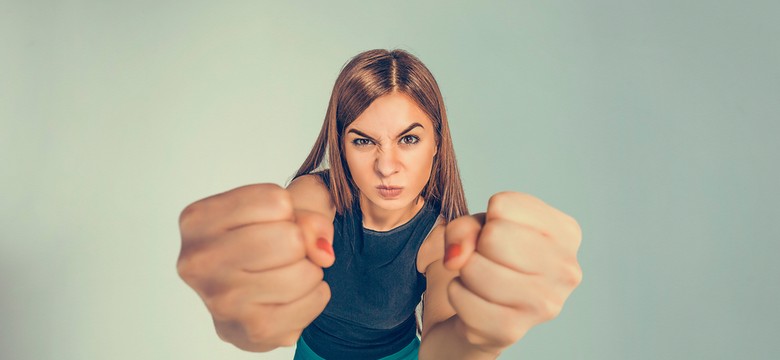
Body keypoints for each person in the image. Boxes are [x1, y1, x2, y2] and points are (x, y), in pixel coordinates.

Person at [177, 49, 582, 360]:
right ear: (340, 146)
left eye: (409, 139)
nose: (387, 166)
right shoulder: (317, 194)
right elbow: (299, 216)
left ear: (437, 143)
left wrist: (480, 338)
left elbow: (442, 344)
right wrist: (258, 257)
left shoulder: (439, 239)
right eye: (363, 141)